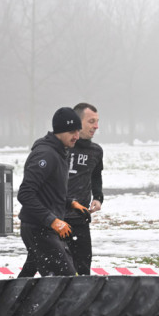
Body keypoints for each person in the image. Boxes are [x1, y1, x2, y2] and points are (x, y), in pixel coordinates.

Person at [16, 107, 81, 277]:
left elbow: (48, 191)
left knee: (28, 276)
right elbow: (25, 193)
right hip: (39, 228)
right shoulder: (45, 155)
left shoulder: (59, 153)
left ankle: (9, 302)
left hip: (45, 227)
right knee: (64, 279)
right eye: (72, 131)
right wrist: (52, 220)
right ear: (60, 131)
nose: (77, 136)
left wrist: (70, 202)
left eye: (78, 131)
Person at [64, 102, 104, 275]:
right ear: (77, 122)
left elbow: (95, 175)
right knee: (45, 266)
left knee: (83, 270)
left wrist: (98, 197)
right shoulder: (60, 147)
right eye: (91, 121)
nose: (96, 126)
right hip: (55, 218)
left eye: (97, 121)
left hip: (80, 219)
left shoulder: (96, 151)